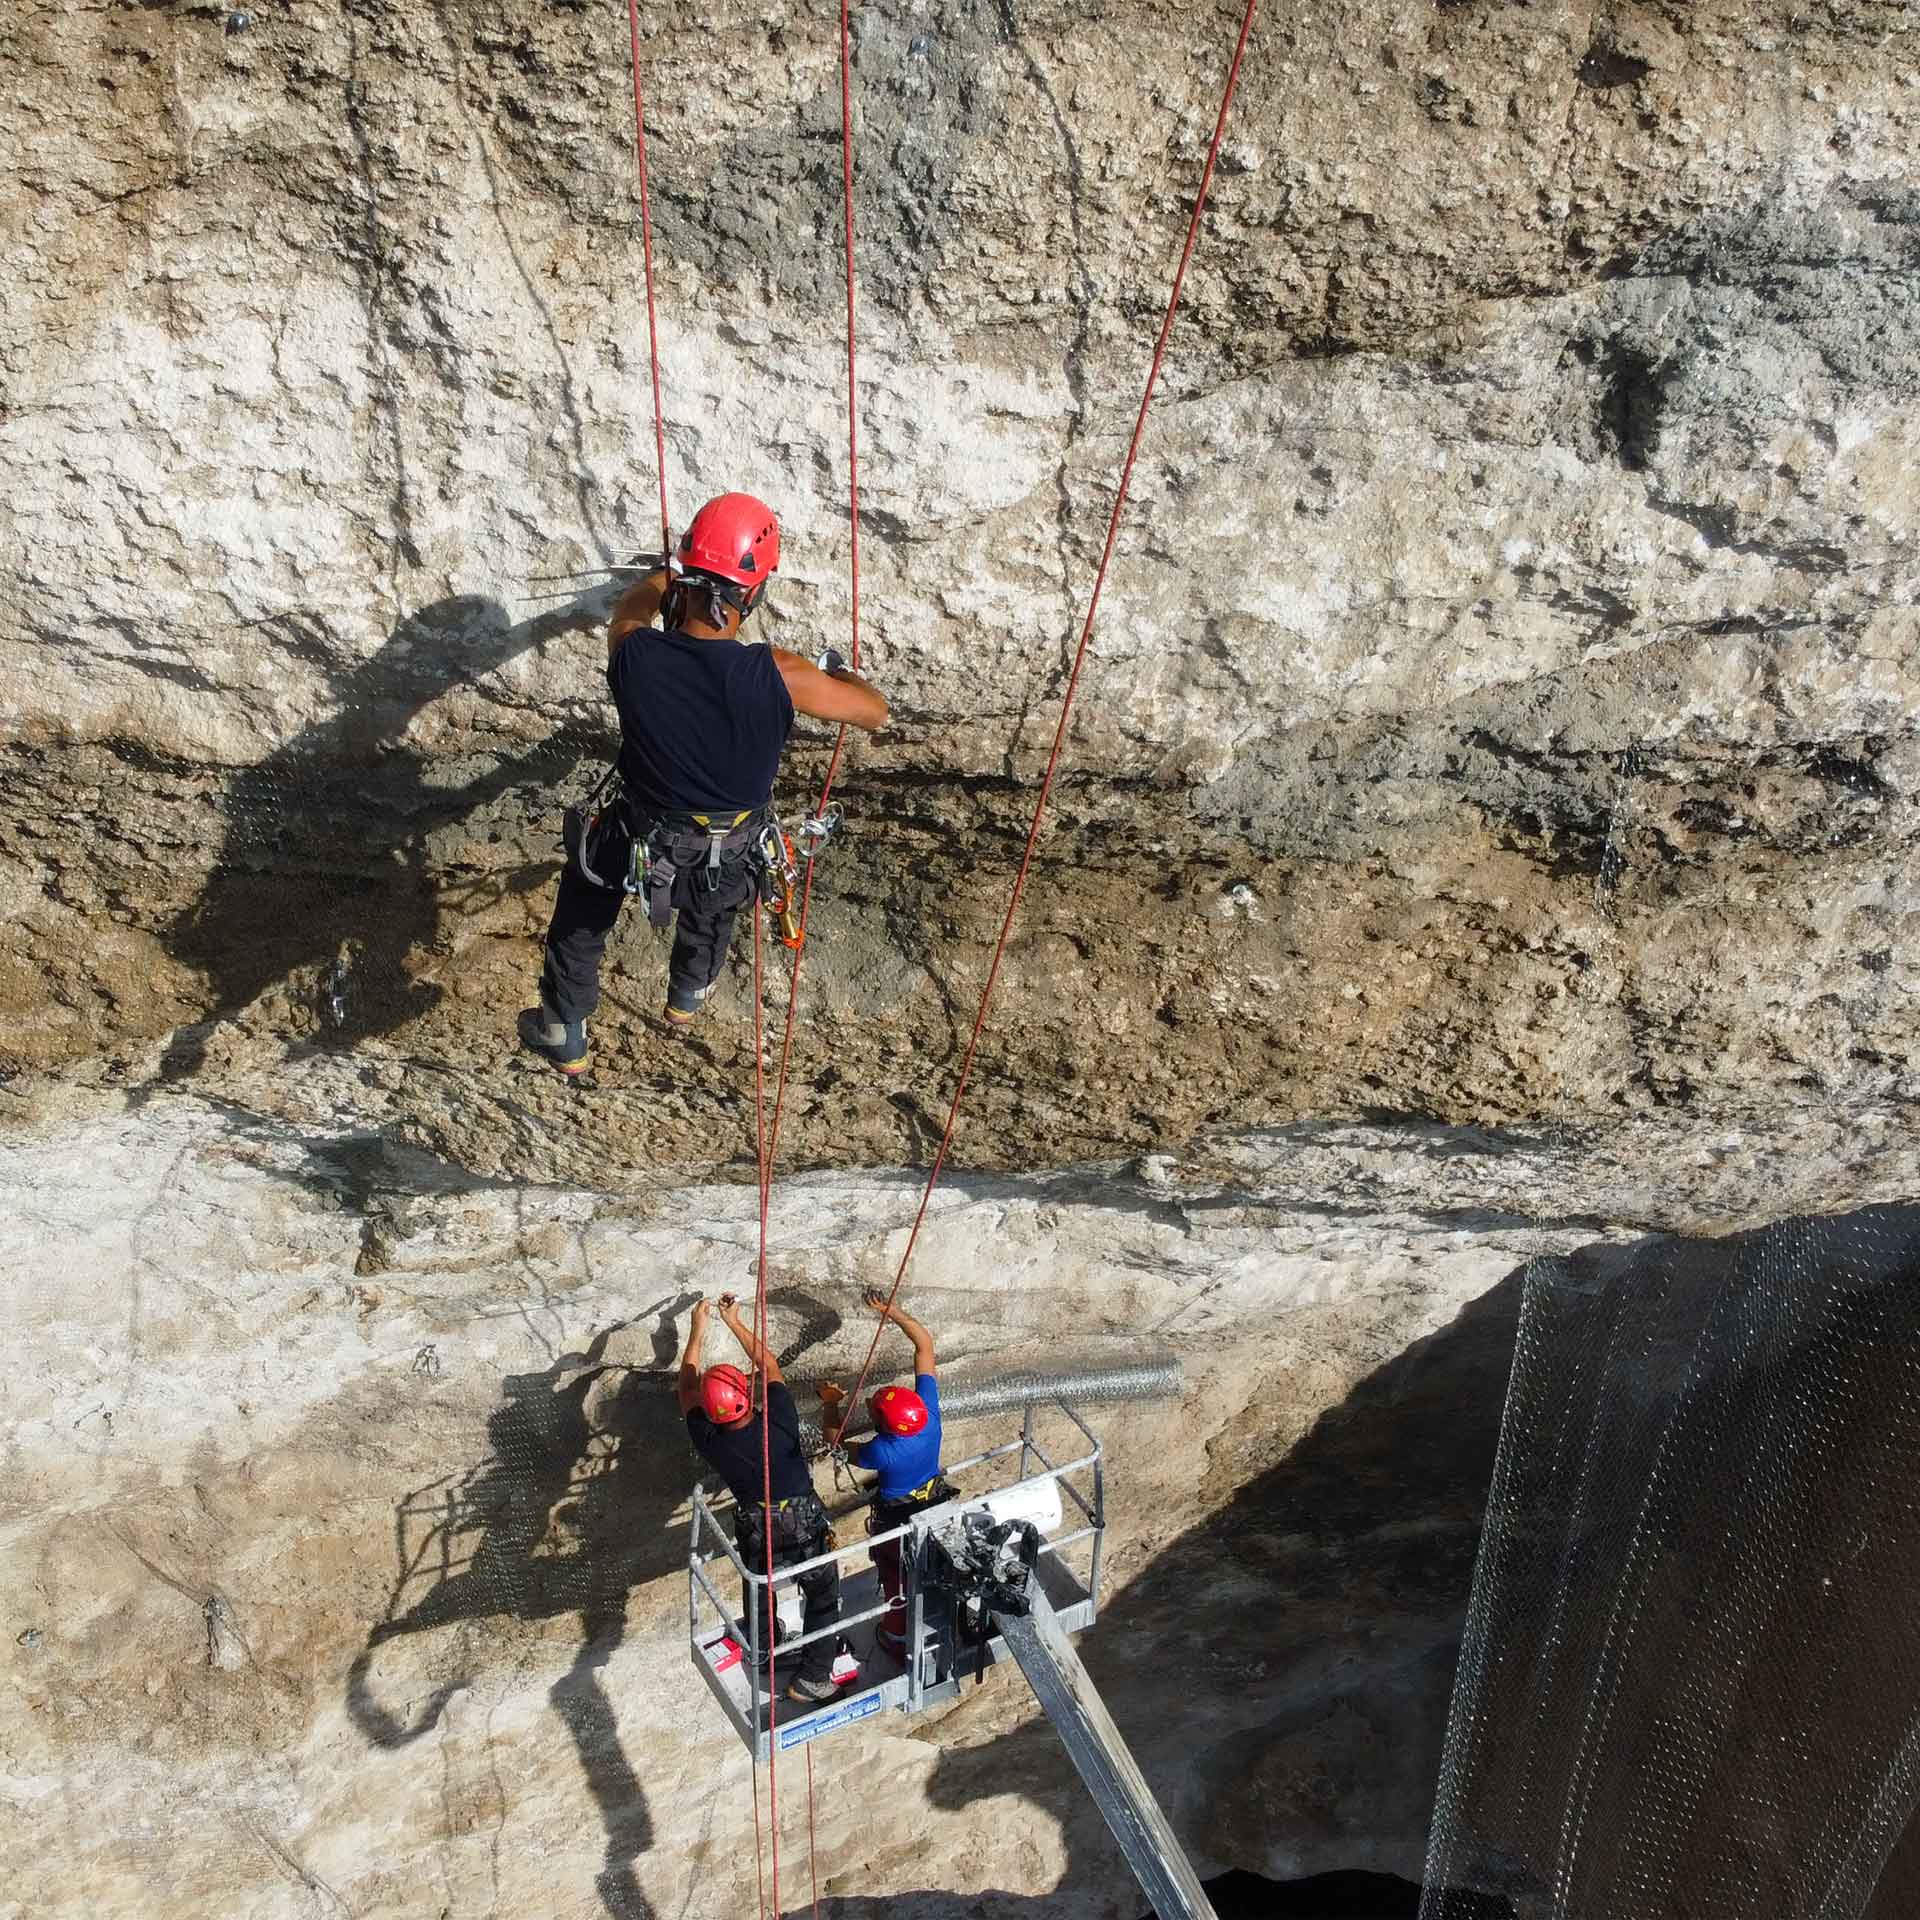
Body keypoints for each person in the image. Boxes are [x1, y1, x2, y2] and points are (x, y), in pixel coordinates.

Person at [522, 492, 890, 1073]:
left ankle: (565, 1030)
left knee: (587, 897)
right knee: (719, 892)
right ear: (753, 592)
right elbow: (874, 712)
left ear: (689, 581)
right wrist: (840, 671)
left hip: (643, 838)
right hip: (731, 849)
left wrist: (661, 577)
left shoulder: (636, 653)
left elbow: (627, 614)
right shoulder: (780, 671)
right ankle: (687, 997)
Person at [678, 1292, 843, 1703]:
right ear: (746, 1396)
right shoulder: (780, 1418)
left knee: (759, 1584)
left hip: (757, 1527)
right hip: (802, 1522)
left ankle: (764, 1649)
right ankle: (812, 1677)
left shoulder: (709, 1438)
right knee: (821, 1591)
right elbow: (768, 1364)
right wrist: (733, 1321)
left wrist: (698, 1331)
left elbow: (686, 1385)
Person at [821, 1289, 951, 1661]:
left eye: (873, 1411)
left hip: (898, 1520)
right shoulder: (927, 1417)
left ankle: (895, 1638)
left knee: (896, 1576)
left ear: (885, 1427)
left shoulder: (883, 1451)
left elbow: (836, 1443)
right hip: (934, 1503)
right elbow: (924, 1345)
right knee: (929, 1568)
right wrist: (890, 1310)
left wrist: (830, 1403)